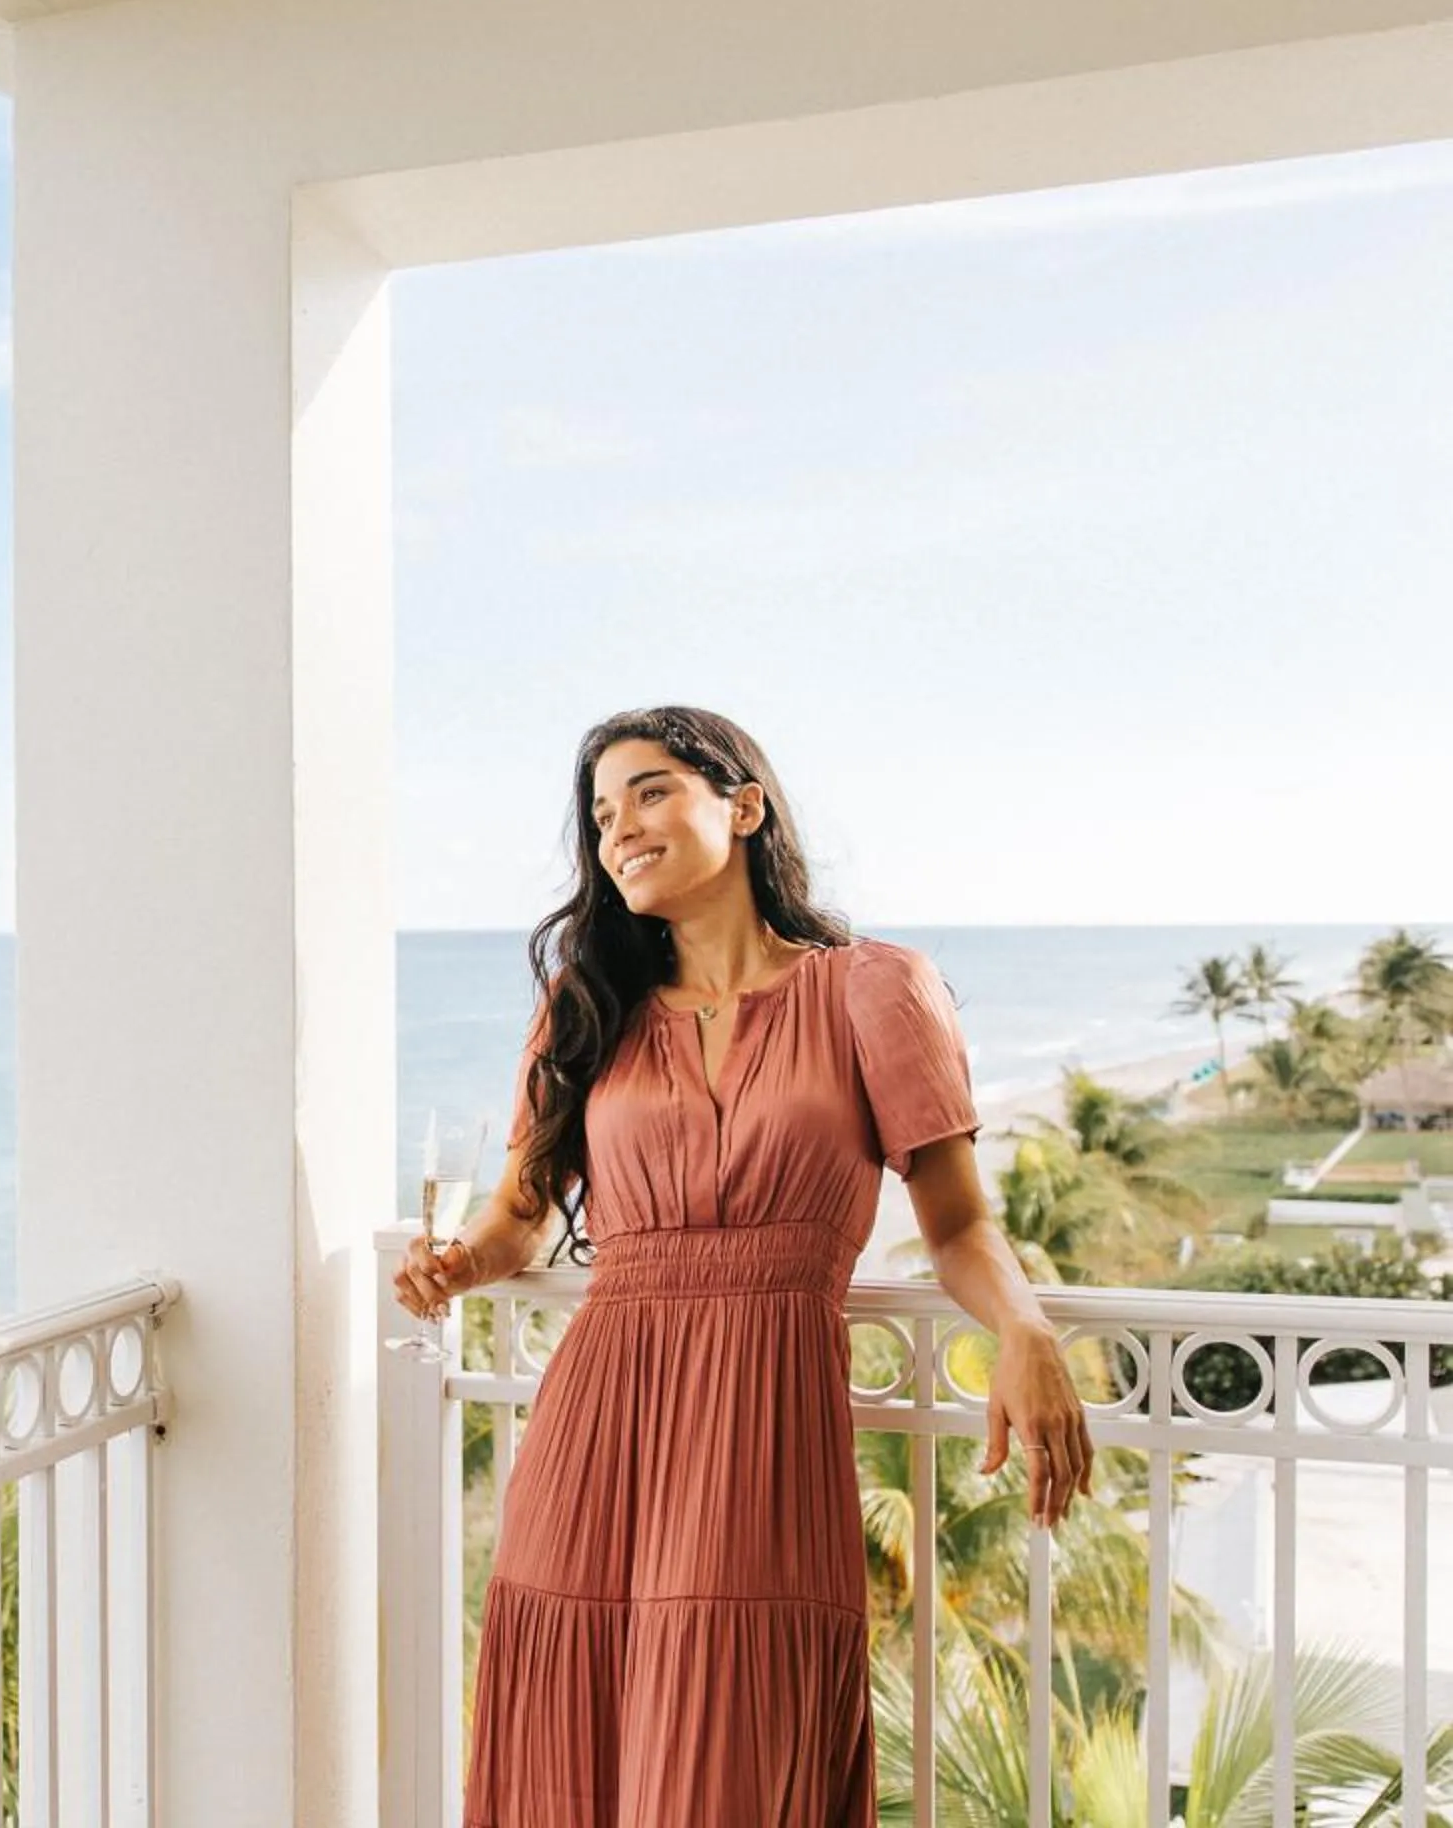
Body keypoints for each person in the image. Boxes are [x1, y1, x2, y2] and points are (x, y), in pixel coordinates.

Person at [391, 705, 1094, 1826]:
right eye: (602, 812)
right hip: (598, 1414)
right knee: (569, 1757)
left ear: (745, 804)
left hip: (763, 1424)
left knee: (727, 1749)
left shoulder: (875, 988)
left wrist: (1025, 1326)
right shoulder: (588, 1009)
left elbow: (957, 1223)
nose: (620, 826)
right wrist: (459, 1262)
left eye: (652, 790)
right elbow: (521, 1212)